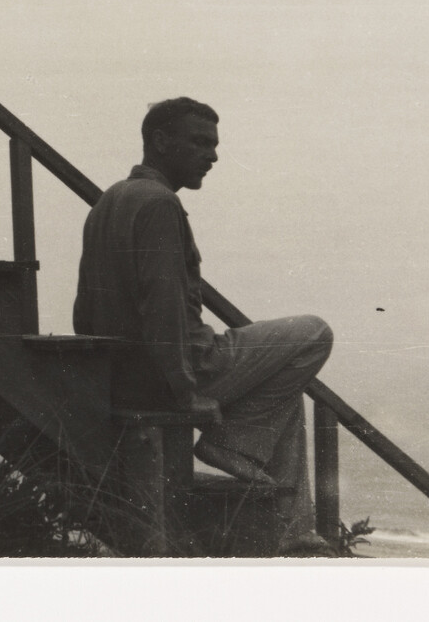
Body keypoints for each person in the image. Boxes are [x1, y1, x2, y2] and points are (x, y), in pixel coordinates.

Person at [73, 96, 334, 552]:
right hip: (177, 371)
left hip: (121, 375)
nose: (211, 156)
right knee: (314, 333)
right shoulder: (159, 204)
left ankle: (295, 537)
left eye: (213, 145)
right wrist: (183, 390)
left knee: (283, 395)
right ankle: (229, 445)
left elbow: (85, 310)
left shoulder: (110, 200)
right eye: (199, 142)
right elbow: (165, 309)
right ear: (160, 141)